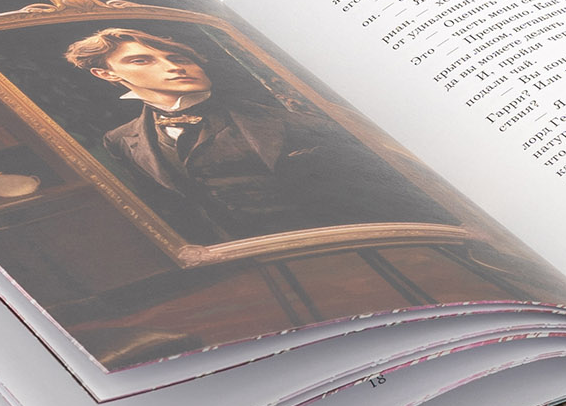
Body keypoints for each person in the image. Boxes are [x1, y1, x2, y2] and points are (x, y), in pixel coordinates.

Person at [63, 27, 449, 244]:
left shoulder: (293, 120)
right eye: (142, 60)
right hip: (251, 260)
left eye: (179, 58)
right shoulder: (121, 139)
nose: (173, 67)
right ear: (106, 74)